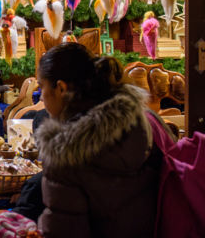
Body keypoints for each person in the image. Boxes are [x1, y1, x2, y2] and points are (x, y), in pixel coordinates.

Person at [35, 42, 169, 237]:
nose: (42, 99)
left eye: (41, 88)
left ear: (61, 88)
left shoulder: (64, 154)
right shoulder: (147, 121)